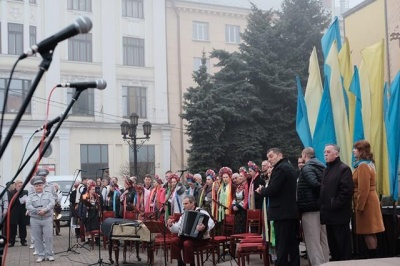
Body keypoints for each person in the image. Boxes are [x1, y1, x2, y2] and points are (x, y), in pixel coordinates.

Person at [256, 148, 299, 266]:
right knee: (292, 245)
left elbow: (273, 189)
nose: (269, 159)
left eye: (271, 156)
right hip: (289, 211)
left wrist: (262, 190)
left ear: (280, 155)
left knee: (282, 246)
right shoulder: (289, 166)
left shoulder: (280, 168)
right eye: (268, 157)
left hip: (282, 212)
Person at [319, 144, 353, 261]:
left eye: (328, 152)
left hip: (339, 215)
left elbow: (346, 191)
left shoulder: (344, 169)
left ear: (336, 154)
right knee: (333, 247)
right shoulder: (326, 169)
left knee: (342, 245)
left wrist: (334, 204)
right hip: (328, 215)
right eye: (324, 152)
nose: (325, 154)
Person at [352, 140, 385, 258]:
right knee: (369, 230)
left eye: (356, 149)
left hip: (366, 203)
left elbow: (363, 188)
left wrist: (359, 206)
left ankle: (372, 257)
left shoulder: (363, 166)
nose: (353, 151)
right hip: (369, 200)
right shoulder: (367, 164)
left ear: (362, 151)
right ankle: (373, 255)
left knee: (368, 231)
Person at [297, 147, 329, 265]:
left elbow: (315, 184)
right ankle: (326, 262)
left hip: (310, 208)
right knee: (323, 240)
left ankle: (317, 264)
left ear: (305, 155)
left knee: (312, 241)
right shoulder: (322, 166)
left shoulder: (307, 168)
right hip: (321, 208)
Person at [167, 195, 215, 266]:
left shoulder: (202, 212)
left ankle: (192, 264)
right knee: (174, 241)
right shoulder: (184, 215)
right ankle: (180, 263)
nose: (184, 205)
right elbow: (177, 228)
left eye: (186, 204)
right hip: (187, 238)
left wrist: (204, 227)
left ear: (193, 203)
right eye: (183, 204)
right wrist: (171, 225)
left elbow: (212, 223)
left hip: (201, 239)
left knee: (187, 243)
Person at [26, 176, 55, 262]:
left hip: (47, 218)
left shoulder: (49, 194)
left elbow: (52, 203)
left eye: (40, 185)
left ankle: (49, 254)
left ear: (43, 186)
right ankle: (40, 255)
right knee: (37, 238)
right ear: (34, 187)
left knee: (48, 237)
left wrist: (45, 210)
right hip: (35, 219)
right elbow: (28, 205)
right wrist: (36, 211)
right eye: (36, 186)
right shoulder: (30, 196)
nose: (38, 187)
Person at [8, 180, 29, 247]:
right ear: (16, 186)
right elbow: (11, 200)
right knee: (13, 227)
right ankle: (12, 241)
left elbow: (28, 199)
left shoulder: (25, 192)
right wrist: (20, 200)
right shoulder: (11, 192)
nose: (20, 187)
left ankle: (23, 240)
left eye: (22, 186)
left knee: (22, 227)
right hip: (14, 212)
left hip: (22, 212)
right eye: (19, 186)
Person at [232, 167, 249, 234]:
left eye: (241, 176)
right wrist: (233, 205)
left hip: (243, 209)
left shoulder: (246, 186)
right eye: (240, 176)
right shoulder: (238, 187)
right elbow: (234, 198)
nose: (240, 178)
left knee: (242, 227)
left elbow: (246, 198)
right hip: (236, 210)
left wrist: (238, 206)